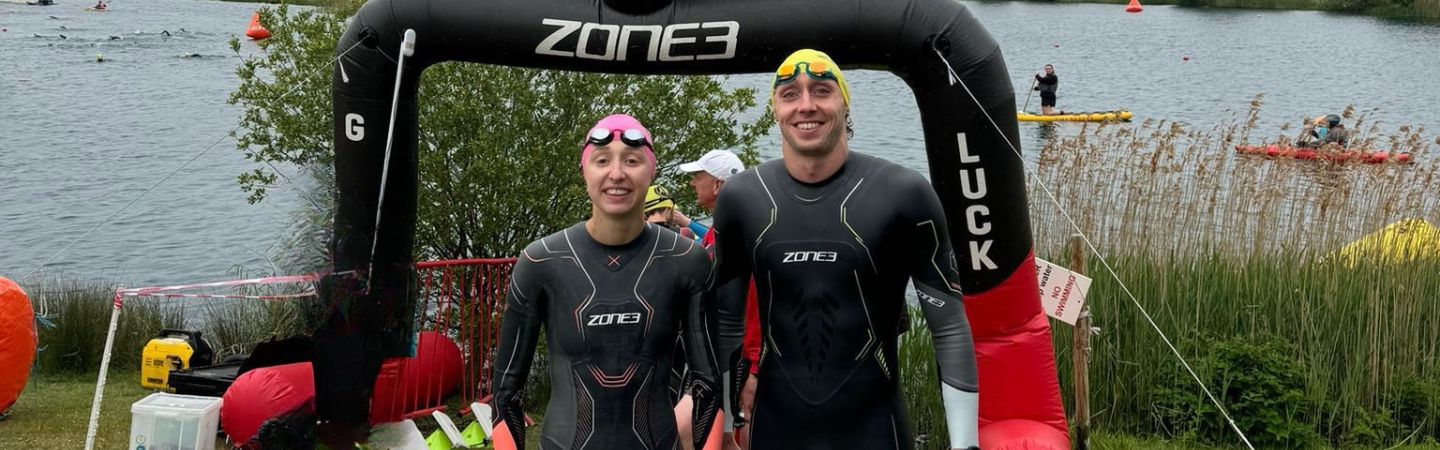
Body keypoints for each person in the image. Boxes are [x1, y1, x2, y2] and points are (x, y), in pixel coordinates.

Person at [710, 49, 981, 450]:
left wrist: (965, 445)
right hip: (775, 431)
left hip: (876, 431)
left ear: (845, 104)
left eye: (821, 90)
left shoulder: (904, 194)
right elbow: (727, 320)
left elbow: (949, 328)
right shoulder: (742, 198)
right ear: (775, 108)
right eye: (790, 94)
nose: (806, 105)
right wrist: (730, 422)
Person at [490, 114, 721, 450]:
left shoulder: (686, 260)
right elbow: (506, 393)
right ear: (585, 172)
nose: (617, 174)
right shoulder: (541, 261)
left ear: (651, 172)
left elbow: (708, 386)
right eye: (601, 161)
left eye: (632, 161)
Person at [679, 149, 758, 450]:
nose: (692, 183)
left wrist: (753, 368)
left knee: (686, 431)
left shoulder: (741, 234)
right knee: (722, 439)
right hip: (709, 350)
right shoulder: (720, 230)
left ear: (718, 186)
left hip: (727, 354)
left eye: (698, 177)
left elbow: (754, 305)